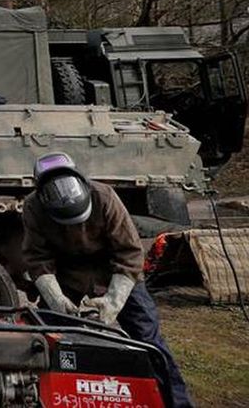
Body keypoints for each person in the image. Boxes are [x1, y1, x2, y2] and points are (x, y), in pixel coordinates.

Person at [23, 152, 192, 408]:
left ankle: (176, 403)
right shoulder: (33, 207)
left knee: (148, 339)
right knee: (47, 337)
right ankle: (48, 397)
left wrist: (113, 301)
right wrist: (56, 299)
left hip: (115, 270)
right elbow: (37, 258)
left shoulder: (104, 196)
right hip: (67, 275)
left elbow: (129, 253)